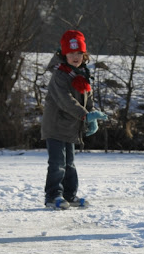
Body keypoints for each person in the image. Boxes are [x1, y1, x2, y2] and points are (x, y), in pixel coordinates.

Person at [41, 30, 107, 210]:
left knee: (70, 163)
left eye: (79, 53)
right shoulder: (60, 75)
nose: (75, 57)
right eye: (71, 53)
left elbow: (88, 99)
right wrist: (85, 115)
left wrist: (92, 116)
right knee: (57, 163)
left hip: (71, 126)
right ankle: (53, 196)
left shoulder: (82, 74)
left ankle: (69, 195)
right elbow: (65, 100)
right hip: (55, 126)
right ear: (64, 54)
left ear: (84, 55)